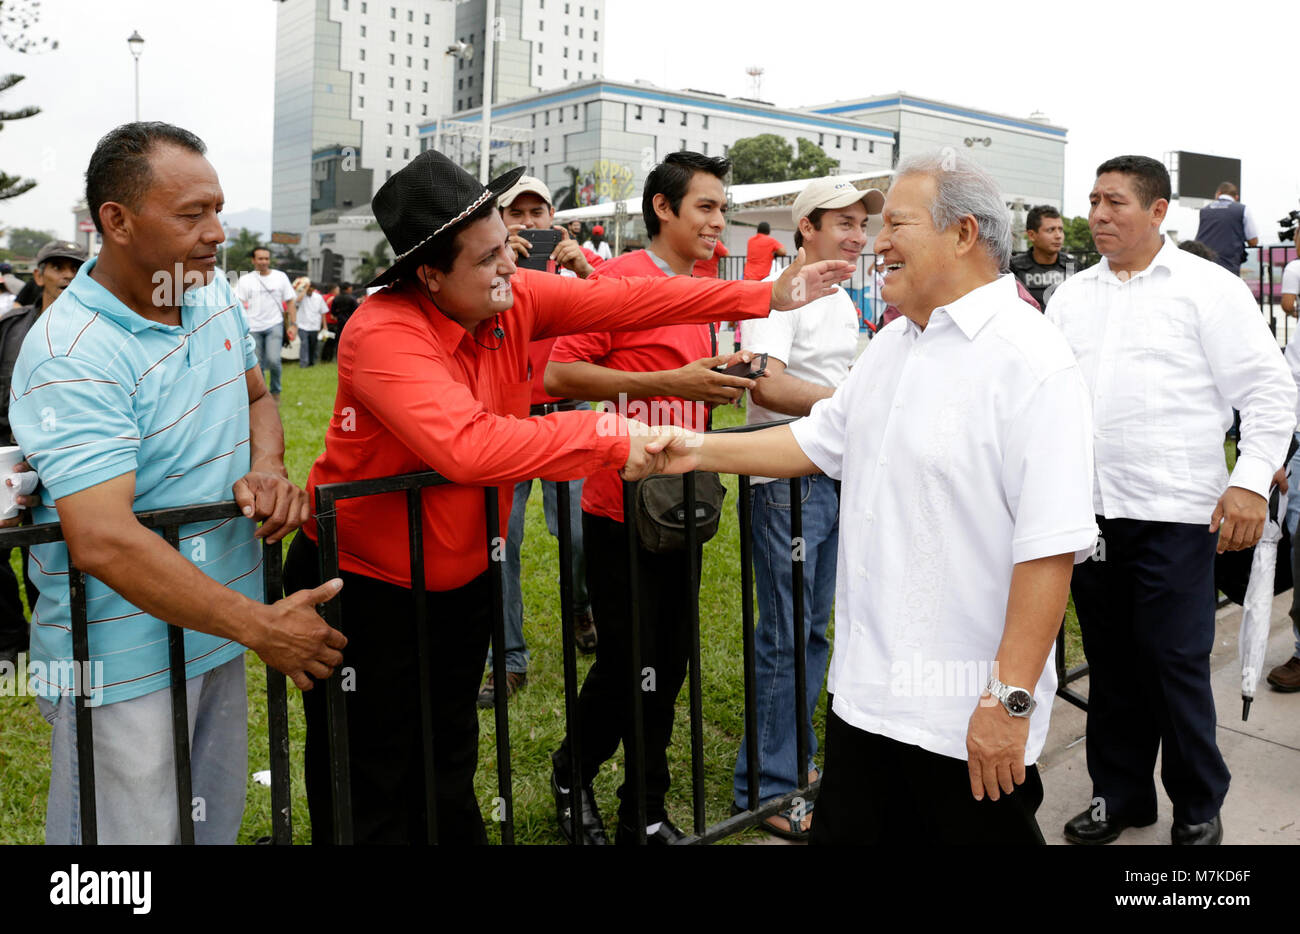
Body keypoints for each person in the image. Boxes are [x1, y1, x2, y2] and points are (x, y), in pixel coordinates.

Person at [281, 148, 852, 845]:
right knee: (370, 773)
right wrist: (611, 435)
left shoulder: (511, 294)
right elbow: (469, 446)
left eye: (506, 249)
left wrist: (764, 295)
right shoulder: (382, 332)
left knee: (449, 754)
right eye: (487, 258)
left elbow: (627, 297)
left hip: (458, 577)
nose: (508, 269)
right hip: (369, 582)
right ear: (428, 273)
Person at [630, 150, 1099, 845]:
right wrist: (695, 450)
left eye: (896, 225)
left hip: (962, 721)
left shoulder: (1031, 363)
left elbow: (1048, 551)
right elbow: (816, 441)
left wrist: (1009, 702)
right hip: (864, 705)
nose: (877, 243)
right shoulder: (892, 346)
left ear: (963, 234)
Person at [8, 121, 346, 844]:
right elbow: (101, 538)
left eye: (218, 210)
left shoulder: (211, 292)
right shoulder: (71, 353)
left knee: (206, 827)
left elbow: (257, 397)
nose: (217, 232)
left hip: (219, 628)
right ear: (117, 221)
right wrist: (263, 628)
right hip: (124, 659)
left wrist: (267, 466)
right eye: (192, 214)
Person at [1047, 155, 1295, 846]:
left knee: (1173, 661)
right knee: (1112, 662)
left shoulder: (1206, 290)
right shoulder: (1072, 298)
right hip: (1092, 514)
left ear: (1158, 212)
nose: (1098, 214)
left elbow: (1271, 393)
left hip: (1177, 513)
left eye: (1115, 202)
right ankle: (1120, 795)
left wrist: (1248, 480)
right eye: (1093, 201)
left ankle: (1197, 801)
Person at [545, 151, 789, 845]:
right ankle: (577, 773)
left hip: (686, 506)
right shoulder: (620, 280)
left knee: (670, 663)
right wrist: (671, 386)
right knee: (630, 665)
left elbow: (688, 380)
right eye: (706, 208)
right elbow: (559, 373)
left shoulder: (703, 288)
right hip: (620, 507)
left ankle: (642, 810)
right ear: (663, 208)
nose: (719, 222)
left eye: (722, 208)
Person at [732, 176, 883, 839]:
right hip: (785, 481)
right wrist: (849, 406)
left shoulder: (841, 299)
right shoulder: (779, 298)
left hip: (830, 478)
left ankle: (794, 768)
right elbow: (761, 377)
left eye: (862, 224)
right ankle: (767, 789)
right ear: (806, 230)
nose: (857, 235)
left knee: (815, 630)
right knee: (786, 635)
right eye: (843, 222)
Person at [478, 175, 604, 707]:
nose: (531, 223)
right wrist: (499, 266)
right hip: (505, 423)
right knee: (501, 542)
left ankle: (580, 606)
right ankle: (508, 658)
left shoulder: (573, 273)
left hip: (565, 417)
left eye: (539, 213)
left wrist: (584, 270)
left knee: (577, 534)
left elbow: (614, 315)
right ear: (499, 222)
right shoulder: (485, 273)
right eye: (517, 213)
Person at [0, 239, 84, 667]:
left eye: (75, 266)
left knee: (50, 552)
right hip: (4, 462)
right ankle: (11, 642)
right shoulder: (11, 328)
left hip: (59, 466)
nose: (67, 273)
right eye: (57, 266)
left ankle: (51, 638)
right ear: (39, 275)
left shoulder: (93, 332)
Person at [236, 246, 297, 401]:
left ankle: (276, 391)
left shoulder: (280, 277)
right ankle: (263, 395)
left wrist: (293, 324)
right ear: (253, 260)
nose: (264, 262)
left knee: (274, 360)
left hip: (274, 325)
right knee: (257, 365)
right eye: (260, 259)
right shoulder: (245, 280)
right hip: (253, 327)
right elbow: (239, 304)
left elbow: (290, 300)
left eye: (266, 258)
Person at [1010, 205, 1073, 307]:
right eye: (1050, 230)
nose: (1058, 236)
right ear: (1031, 235)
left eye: (1060, 230)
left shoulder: (1072, 266)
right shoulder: (1013, 268)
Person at [1193, 181, 1259, 275]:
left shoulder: (1204, 210)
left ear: (1218, 194)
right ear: (1236, 197)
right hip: (1229, 266)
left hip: (1204, 265)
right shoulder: (1242, 209)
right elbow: (1253, 241)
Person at [320, 282, 357, 363]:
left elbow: (333, 311)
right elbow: (357, 311)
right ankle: (348, 358)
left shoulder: (336, 298)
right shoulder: (352, 299)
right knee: (349, 341)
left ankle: (337, 358)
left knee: (338, 341)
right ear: (348, 289)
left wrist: (338, 315)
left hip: (338, 322)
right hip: (350, 322)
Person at [295, 279, 327, 367]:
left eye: (311, 289)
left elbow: (323, 312)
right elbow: (297, 300)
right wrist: (305, 289)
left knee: (313, 345)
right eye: (308, 289)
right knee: (304, 344)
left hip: (314, 325)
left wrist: (324, 326)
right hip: (302, 325)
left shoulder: (319, 297)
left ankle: (312, 362)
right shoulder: (301, 295)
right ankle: (303, 363)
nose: (309, 291)